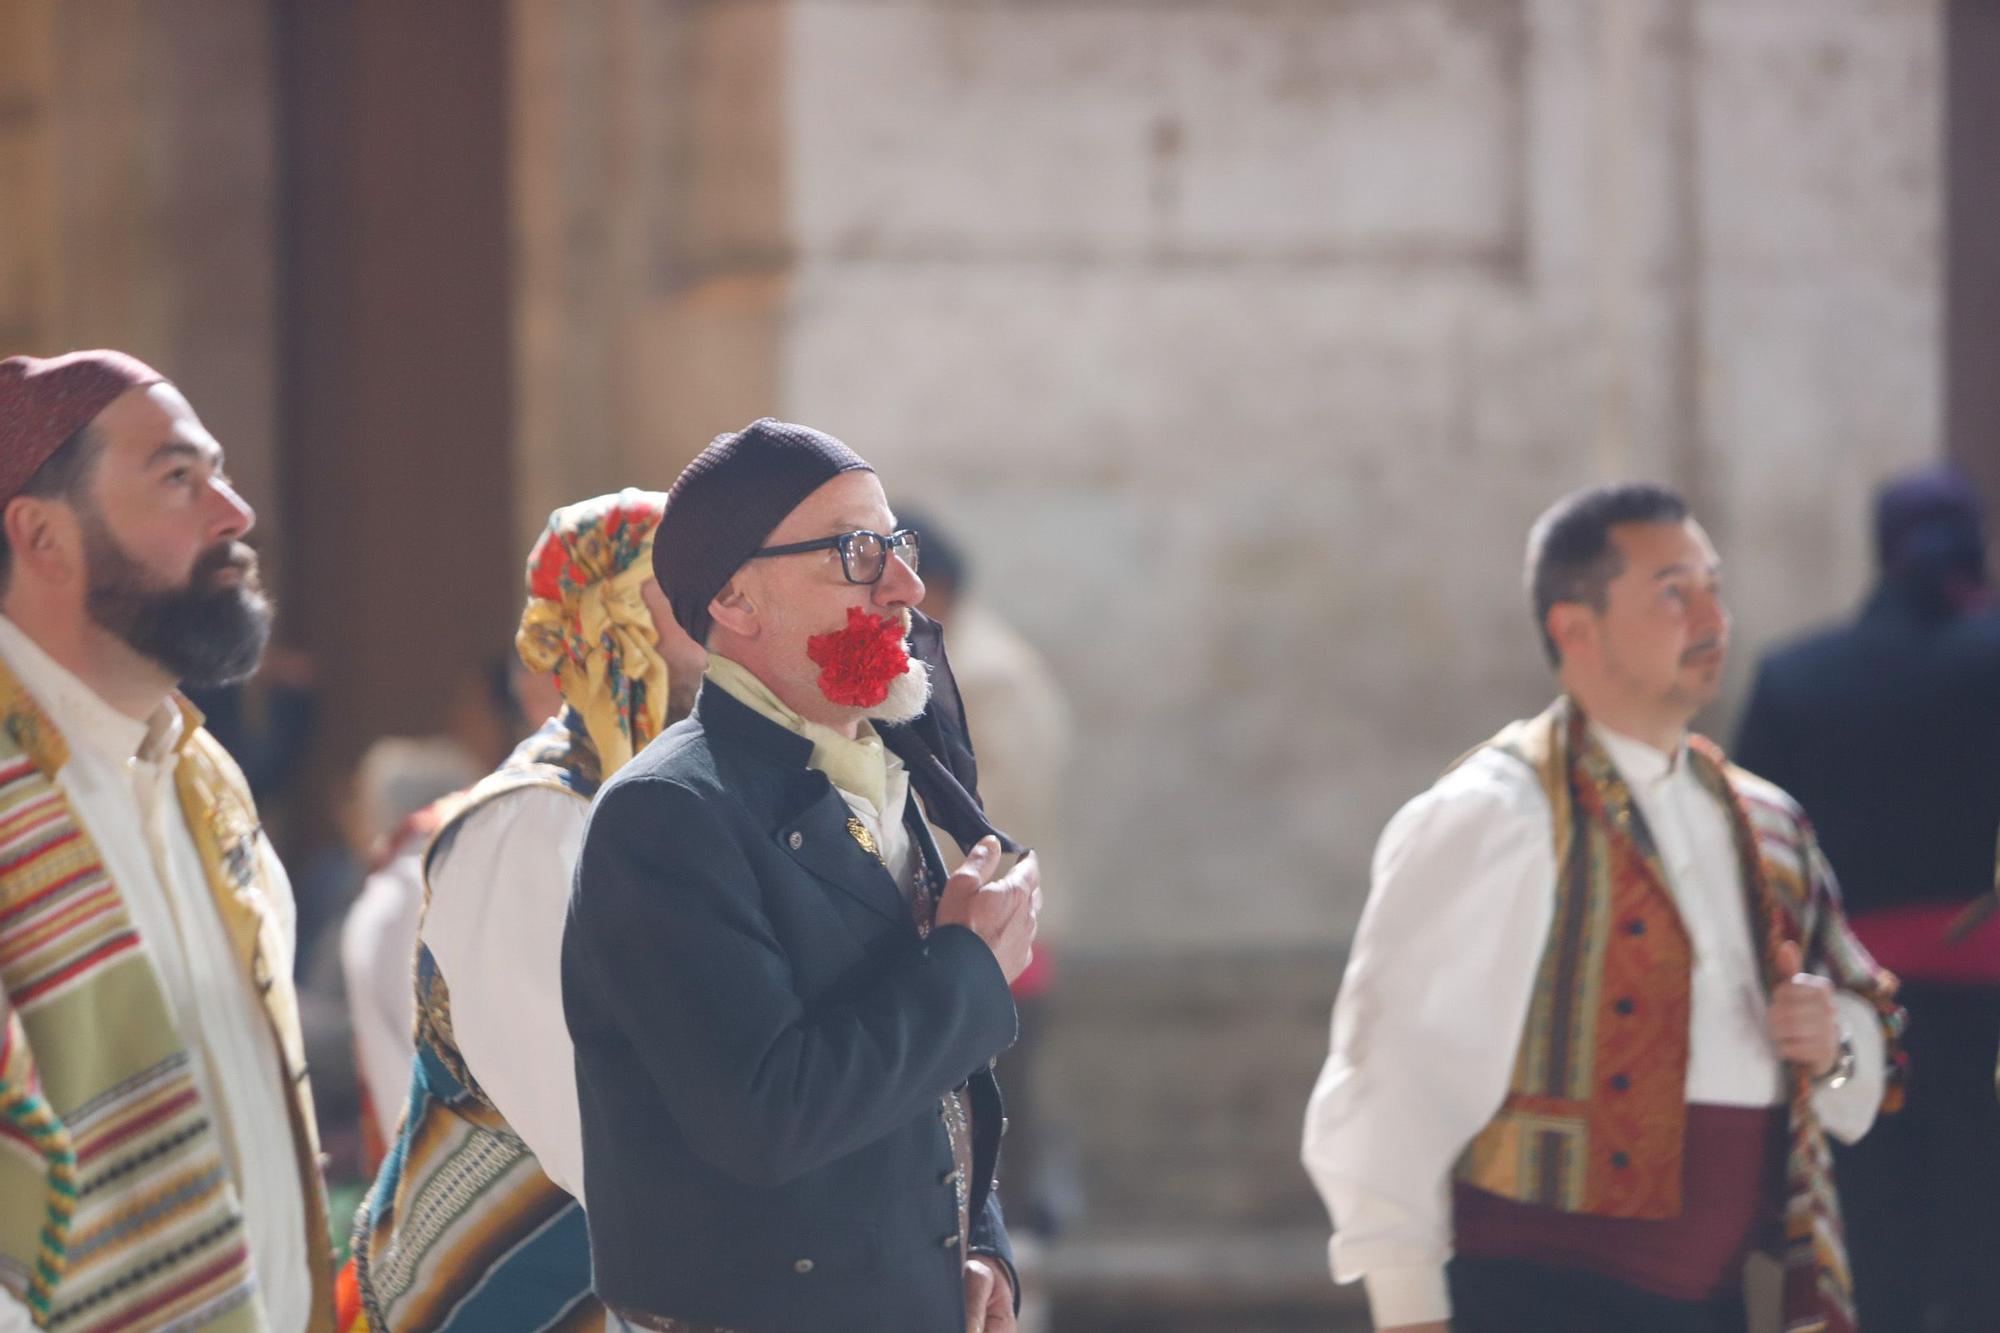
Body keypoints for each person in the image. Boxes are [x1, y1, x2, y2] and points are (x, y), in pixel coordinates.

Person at [1302, 482, 1904, 1333]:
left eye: (1714, 585)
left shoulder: (1771, 823)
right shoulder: (1495, 813)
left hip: (1732, 1300)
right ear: (1573, 628)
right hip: (1536, 1300)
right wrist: (1407, 1305)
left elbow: (1864, 1032)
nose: (1712, 615)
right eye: (1673, 589)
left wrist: (1832, 1040)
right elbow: (1392, 1072)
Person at [566, 419, 1039, 1332]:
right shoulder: (666, 814)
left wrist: (979, 1244)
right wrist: (969, 967)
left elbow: (927, 1083)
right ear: (737, 600)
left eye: (894, 544)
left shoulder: (872, 766)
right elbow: (767, 1117)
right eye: (857, 553)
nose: (904, 585)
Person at [0, 351, 333, 1331]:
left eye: (220, 473)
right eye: (179, 478)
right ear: (42, 534)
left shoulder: (207, 783)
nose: (234, 513)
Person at [349, 489, 705, 1331]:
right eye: (685, 582)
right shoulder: (534, 820)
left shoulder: (668, 805)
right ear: (610, 610)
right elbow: (582, 1119)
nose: (725, 607)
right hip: (524, 1285)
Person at [1735, 466, 2000, 1332]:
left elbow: (1754, 854)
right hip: (1989, 1006)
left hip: (1852, 1014)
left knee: (1872, 1241)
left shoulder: (1797, 677)